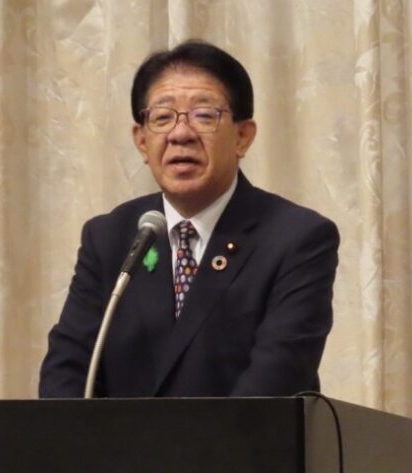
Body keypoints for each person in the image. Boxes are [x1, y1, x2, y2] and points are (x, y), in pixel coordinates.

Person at [39, 40, 339, 398]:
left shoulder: (296, 238)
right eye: (162, 118)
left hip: (247, 436)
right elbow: (68, 371)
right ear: (141, 141)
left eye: (204, 115)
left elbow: (276, 379)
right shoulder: (110, 237)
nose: (181, 134)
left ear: (243, 137)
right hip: (119, 438)